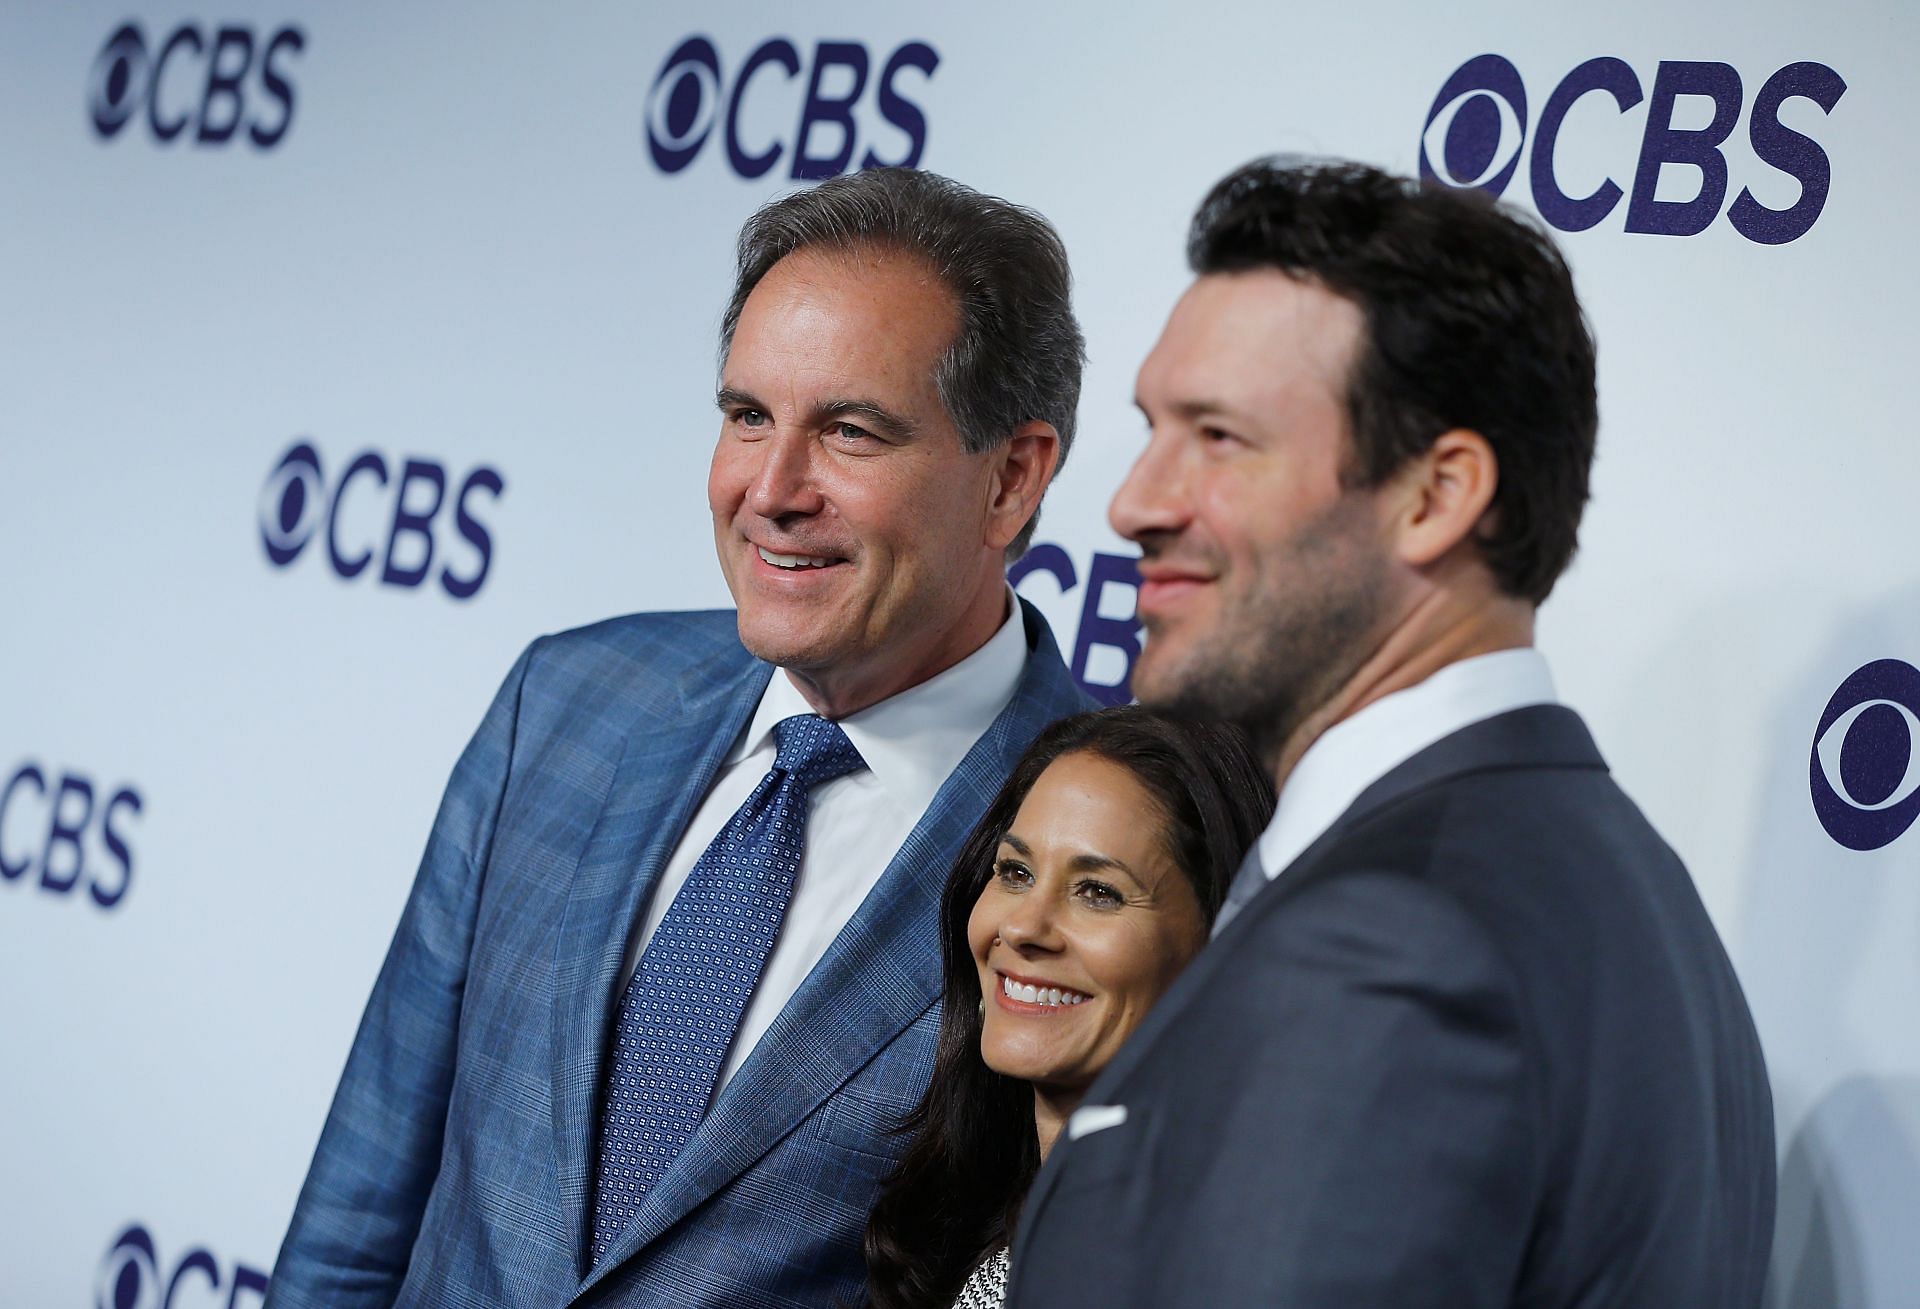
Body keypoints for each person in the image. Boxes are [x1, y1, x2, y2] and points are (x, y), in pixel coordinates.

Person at [266, 168, 1093, 1309]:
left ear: (1012, 479)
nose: (771, 488)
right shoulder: (564, 703)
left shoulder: (1126, 843)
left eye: (849, 432)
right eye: (748, 415)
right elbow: (360, 1216)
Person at [1008, 159, 1776, 1307]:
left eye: (1218, 437)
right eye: (1151, 427)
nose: (1135, 502)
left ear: (1438, 494)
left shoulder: (1392, 943)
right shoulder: (1608, 877)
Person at [863, 706, 1274, 1309]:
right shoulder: (977, 1212)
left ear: (1221, 942)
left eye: (1098, 892)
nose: (1025, 927)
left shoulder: (1204, 1263)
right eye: (1016, 872)